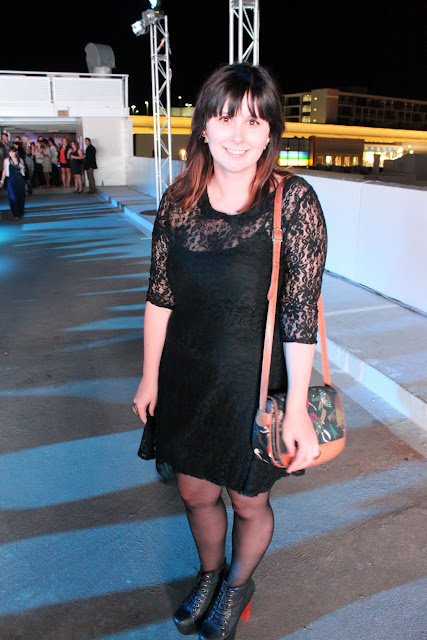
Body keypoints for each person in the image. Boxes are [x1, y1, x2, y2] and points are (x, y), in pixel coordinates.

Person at [132, 63, 327, 640]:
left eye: (253, 122)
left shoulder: (293, 201)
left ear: (270, 133)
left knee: (247, 501)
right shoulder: (177, 201)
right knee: (195, 493)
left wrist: (296, 409)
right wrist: (149, 378)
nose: (238, 135)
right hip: (187, 375)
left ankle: (238, 584)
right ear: (204, 126)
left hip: (254, 385)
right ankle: (210, 574)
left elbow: (298, 312)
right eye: (225, 118)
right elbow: (160, 297)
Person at [0, 146, 26, 219]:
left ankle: (21, 212)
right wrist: (2, 181)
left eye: (12, 152)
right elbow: (4, 170)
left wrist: (22, 167)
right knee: (12, 196)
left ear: (16, 152)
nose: (11, 153)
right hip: (11, 180)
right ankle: (16, 213)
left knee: (20, 196)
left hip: (19, 179)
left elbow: (23, 171)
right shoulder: (6, 160)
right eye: (10, 152)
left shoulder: (20, 160)